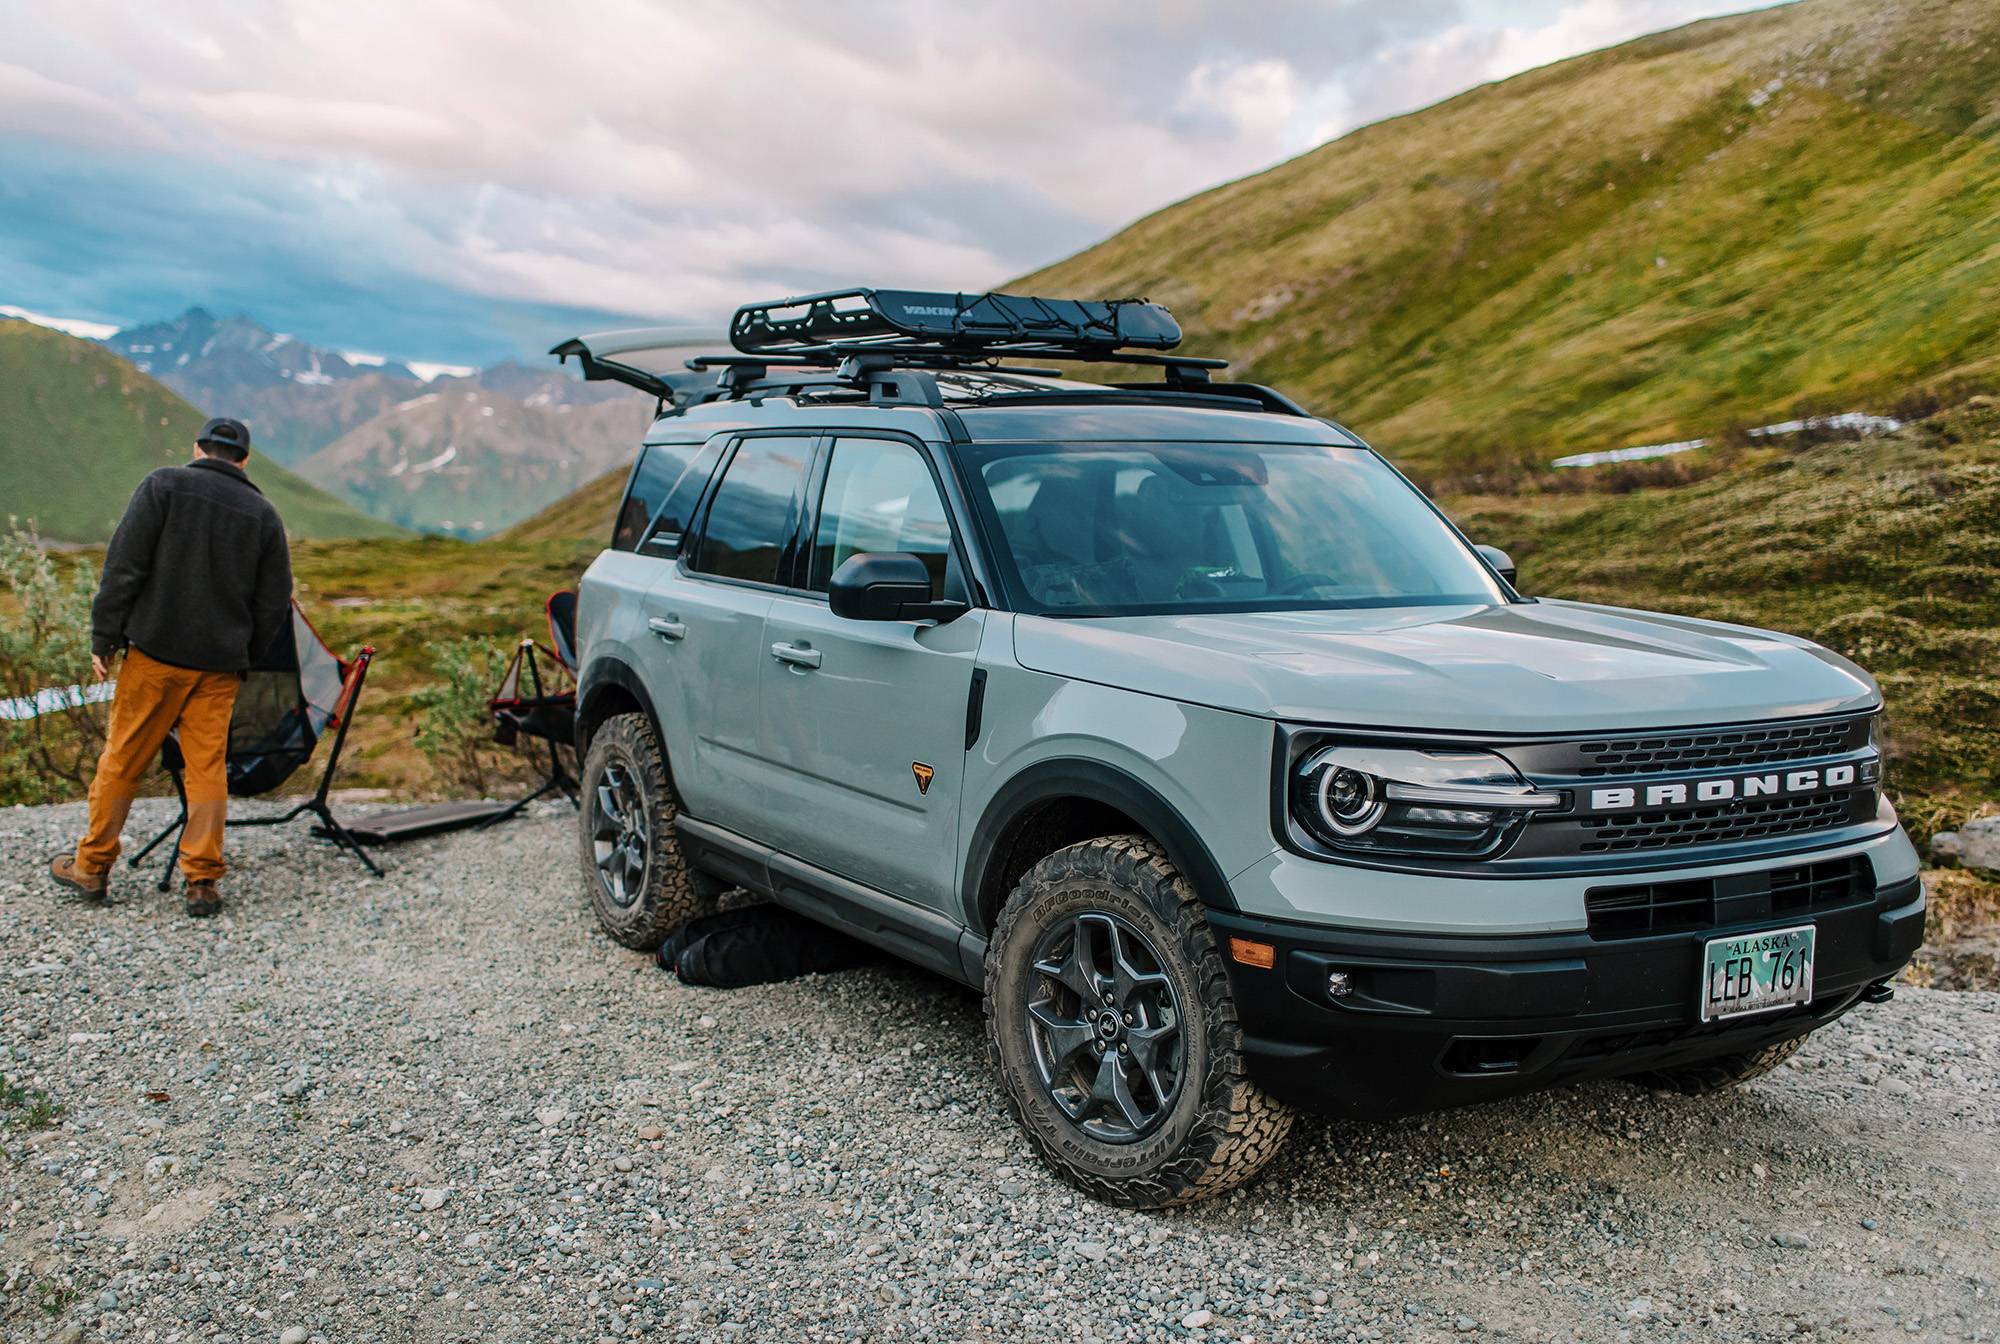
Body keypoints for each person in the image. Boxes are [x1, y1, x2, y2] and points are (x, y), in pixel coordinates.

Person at [49, 417, 294, 917]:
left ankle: (92, 868)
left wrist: (105, 635)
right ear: (244, 460)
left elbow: (125, 564)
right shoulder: (263, 514)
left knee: (124, 759)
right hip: (219, 667)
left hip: (155, 656)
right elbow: (274, 603)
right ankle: (202, 880)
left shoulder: (164, 485)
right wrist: (245, 653)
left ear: (198, 449)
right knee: (206, 770)